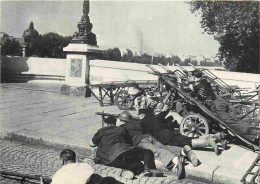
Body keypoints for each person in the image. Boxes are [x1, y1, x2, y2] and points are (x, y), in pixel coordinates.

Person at [191, 69, 259, 143]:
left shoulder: (197, 86)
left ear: (194, 77)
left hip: (216, 105)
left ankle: (254, 134)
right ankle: (253, 130)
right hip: (220, 101)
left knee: (229, 122)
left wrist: (193, 90)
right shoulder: (205, 81)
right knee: (235, 119)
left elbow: (201, 96)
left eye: (191, 76)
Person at [119, 111, 199, 169]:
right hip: (149, 137)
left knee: (156, 151)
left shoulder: (123, 127)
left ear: (123, 120)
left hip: (140, 141)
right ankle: (183, 151)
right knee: (164, 148)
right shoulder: (137, 122)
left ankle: (176, 161)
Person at [91, 116, 164, 177]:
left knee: (139, 166)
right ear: (115, 123)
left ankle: (127, 172)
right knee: (147, 152)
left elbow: (92, 144)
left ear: (106, 123)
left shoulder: (101, 131)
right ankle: (149, 170)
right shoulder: (120, 129)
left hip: (108, 161)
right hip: (122, 151)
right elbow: (129, 142)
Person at [139, 109, 221, 155]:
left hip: (165, 139)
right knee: (189, 138)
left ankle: (208, 142)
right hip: (171, 133)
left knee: (188, 142)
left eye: (139, 115)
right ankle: (216, 137)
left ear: (142, 115)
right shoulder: (156, 117)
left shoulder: (142, 122)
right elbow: (164, 113)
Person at [46, 149, 122, 184]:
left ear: (62, 161)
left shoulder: (60, 173)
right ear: (75, 159)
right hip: (103, 180)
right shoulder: (85, 165)